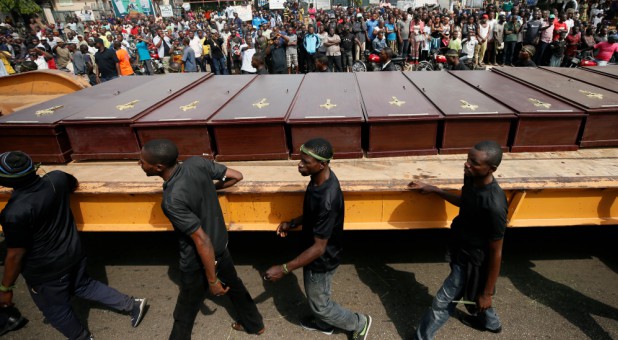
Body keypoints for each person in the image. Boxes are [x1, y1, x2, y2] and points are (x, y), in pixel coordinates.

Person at [0, 151, 147, 340]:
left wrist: (6, 289)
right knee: (83, 285)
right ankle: (132, 304)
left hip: (47, 271)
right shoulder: (57, 179)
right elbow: (73, 183)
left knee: (56, 311)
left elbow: (15, 255)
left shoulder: (13, 213)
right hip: (73, 253)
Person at [137, 139, 265, 339]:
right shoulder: (196, 163)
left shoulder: (172, 200)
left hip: (198, 259)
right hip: (221, 247)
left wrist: (212, 280)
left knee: (185, 309)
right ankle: (255, 324)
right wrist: (210, 189)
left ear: (158, 167)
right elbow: (236, 176)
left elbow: (202, 241)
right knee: (235, 286)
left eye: (142, 161)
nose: (139, 164)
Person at [263, 138, 372, 340]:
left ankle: (359, 322)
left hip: (321, 259)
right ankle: (325, 324)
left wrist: (284, 269)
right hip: (316, 252)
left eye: (305, 162)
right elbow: (314, 214)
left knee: (320, 305)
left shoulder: (327, 199)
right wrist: (294, 222)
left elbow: (319, 248)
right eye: (300, 160)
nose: (299, 165)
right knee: (319, 296)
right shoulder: (319, 178)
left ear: (322, 164)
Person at [409, 141, 507, 340]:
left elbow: (496, 251)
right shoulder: (472, 178)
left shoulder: (494, 204)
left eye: (474, 163)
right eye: (468, 159)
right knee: (474, 291)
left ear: (491, 169)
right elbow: (466, 202)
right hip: (460, 245)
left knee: (442, 302)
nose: (467, 165)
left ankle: (422, 337)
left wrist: (488, 293)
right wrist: (436, 190)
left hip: (473, 260)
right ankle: (491, 323)